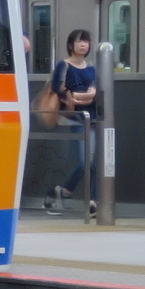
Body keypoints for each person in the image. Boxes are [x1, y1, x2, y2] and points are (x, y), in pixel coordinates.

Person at [45, 29, 100, 213]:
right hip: (76, 119)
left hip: (93, 117)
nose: (83, 45)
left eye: (86, 41)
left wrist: (79, 97)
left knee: (97, 162)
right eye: (79, 41)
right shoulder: (64, 65)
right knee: (87, 162)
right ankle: (64, 190)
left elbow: (94, 94)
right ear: (71, 45)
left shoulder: (92, 68)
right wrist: (80, 97)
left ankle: (93, 202)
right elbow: (58, 90)